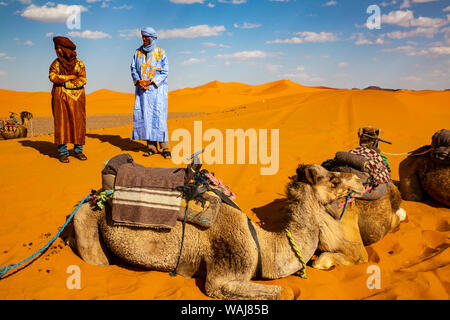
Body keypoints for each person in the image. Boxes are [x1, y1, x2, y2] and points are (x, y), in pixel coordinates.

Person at [130, 27, 171, 159]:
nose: (144, 39)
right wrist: (138, 81)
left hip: (157, 91)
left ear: (152, 38)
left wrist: (151, 81)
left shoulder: (161, 52)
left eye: (146, 37)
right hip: (143, 91)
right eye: (143, 36)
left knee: (159, 118)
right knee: (145, 117)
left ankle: (165, 148)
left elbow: (165, 72)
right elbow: (133, 68)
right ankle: (151, 147)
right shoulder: (137, 53)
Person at [49, 36, 87, 163]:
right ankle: (63, 152)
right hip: (60, 99)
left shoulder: (79, 64)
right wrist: (69, 77)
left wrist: (65, 83)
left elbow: (83, 80)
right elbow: (52, 76)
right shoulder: (56, 63)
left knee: (78, 123)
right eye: (57, 48)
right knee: (62, 124)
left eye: (60, 48)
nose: (58, 51)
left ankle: (78, 151)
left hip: (77, 99)